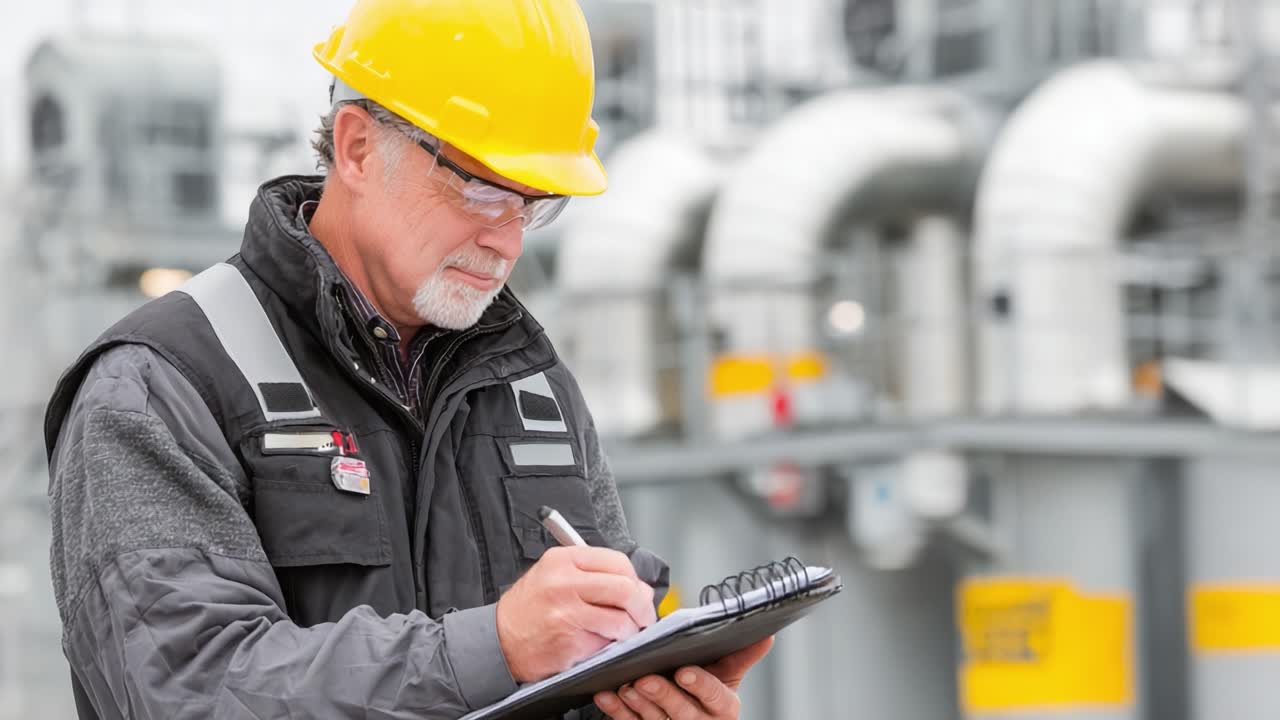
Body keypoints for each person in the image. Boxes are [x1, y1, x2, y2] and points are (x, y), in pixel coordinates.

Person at [43, 1, 772, 718]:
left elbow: (578, 672)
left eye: (535, 204)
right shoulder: (160, 388)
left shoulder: (535, 392)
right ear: (358, 147)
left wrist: (644, 698)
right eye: (483, 189)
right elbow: (189, 688)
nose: (508, 241)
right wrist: (495, 647)